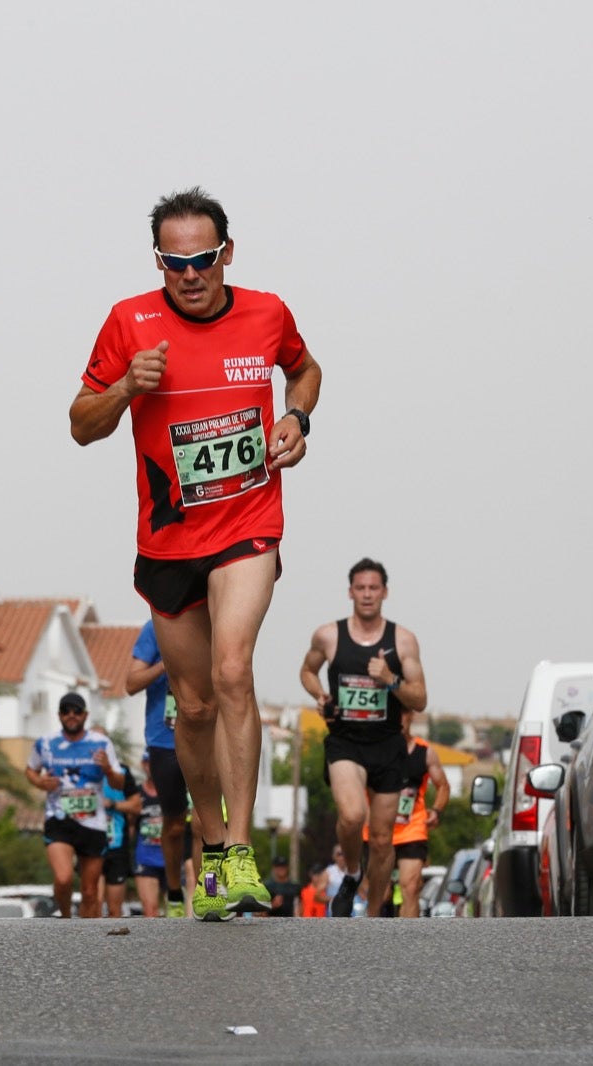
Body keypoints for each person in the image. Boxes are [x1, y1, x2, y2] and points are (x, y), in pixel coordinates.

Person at [71, 187, 322, 921]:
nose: (190, 273)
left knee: (233, 668)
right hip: (170, 538)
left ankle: (240, 853)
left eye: (203, 258)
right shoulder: (129, 322)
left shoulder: (267, 313)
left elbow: (306, 369)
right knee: (194, 703)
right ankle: (213, 850)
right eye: (175, 262)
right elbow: (81, 425)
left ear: (227, 254)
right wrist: (124, 387)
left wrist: (296, 417)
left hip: (249, 521)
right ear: (160, 262)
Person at [300, 558, 428, 917]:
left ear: (384, 592)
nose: (367, 594)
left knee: (385, 839)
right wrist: (320, 696)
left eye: (374, 588)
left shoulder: (402, 640)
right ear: (350, 592)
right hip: (345, 742)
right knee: (353, 815)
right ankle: (353, 872)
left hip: (387, 745)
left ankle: (372, 915)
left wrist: (391, 679)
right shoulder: (328, 635)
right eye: (361, 588)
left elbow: (420, 698)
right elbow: (308, 671)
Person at [25, 692, 126, 918]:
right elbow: (30, 770)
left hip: (93, 823)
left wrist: (108, 768)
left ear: (85, 715)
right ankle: (65, 919)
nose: (71, 715)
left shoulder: (101, 743)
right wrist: (41, 782)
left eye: (77, 711)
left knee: (90, 892)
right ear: (59, 715)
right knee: (63, 878)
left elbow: (119, 783)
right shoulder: (46, 743)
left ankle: (85, 941)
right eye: (66, 711)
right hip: (59, 818)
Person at [125, 620, 192, 917]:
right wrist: (166, 665)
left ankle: (208, 889)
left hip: (205, 737)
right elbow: (131, 683)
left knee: (206, 822)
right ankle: (175, 891)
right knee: (175, 825)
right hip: (164, 740)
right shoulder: (154, 629)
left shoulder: (215, 621)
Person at [392, 712, 450, 918]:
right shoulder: (375, 750)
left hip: (411, 828)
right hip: (378, 829)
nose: (398, 719)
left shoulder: (425, 752)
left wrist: (436, 810)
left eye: (402, 714)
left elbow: (443, 786)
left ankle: (408, 941)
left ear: (410, 717)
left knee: (410, 887)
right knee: (378, 892)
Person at [101, 754, 143, 917]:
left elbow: (137, 806)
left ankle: (112, 940)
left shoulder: (122, 771)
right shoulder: (81, 771)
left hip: (116, 846)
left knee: (114, 909)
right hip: (91, 845)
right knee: (93, 900)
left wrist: (112, 804)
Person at [132, 755, 167, 917]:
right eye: (147, 761)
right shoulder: (137, 794)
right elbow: (131, 826)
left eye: (155, 761)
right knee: (150, 910)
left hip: (171, 858)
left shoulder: (172, 791)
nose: (151, 766)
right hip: (146, 858)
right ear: (143, 764)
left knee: (177, 912)